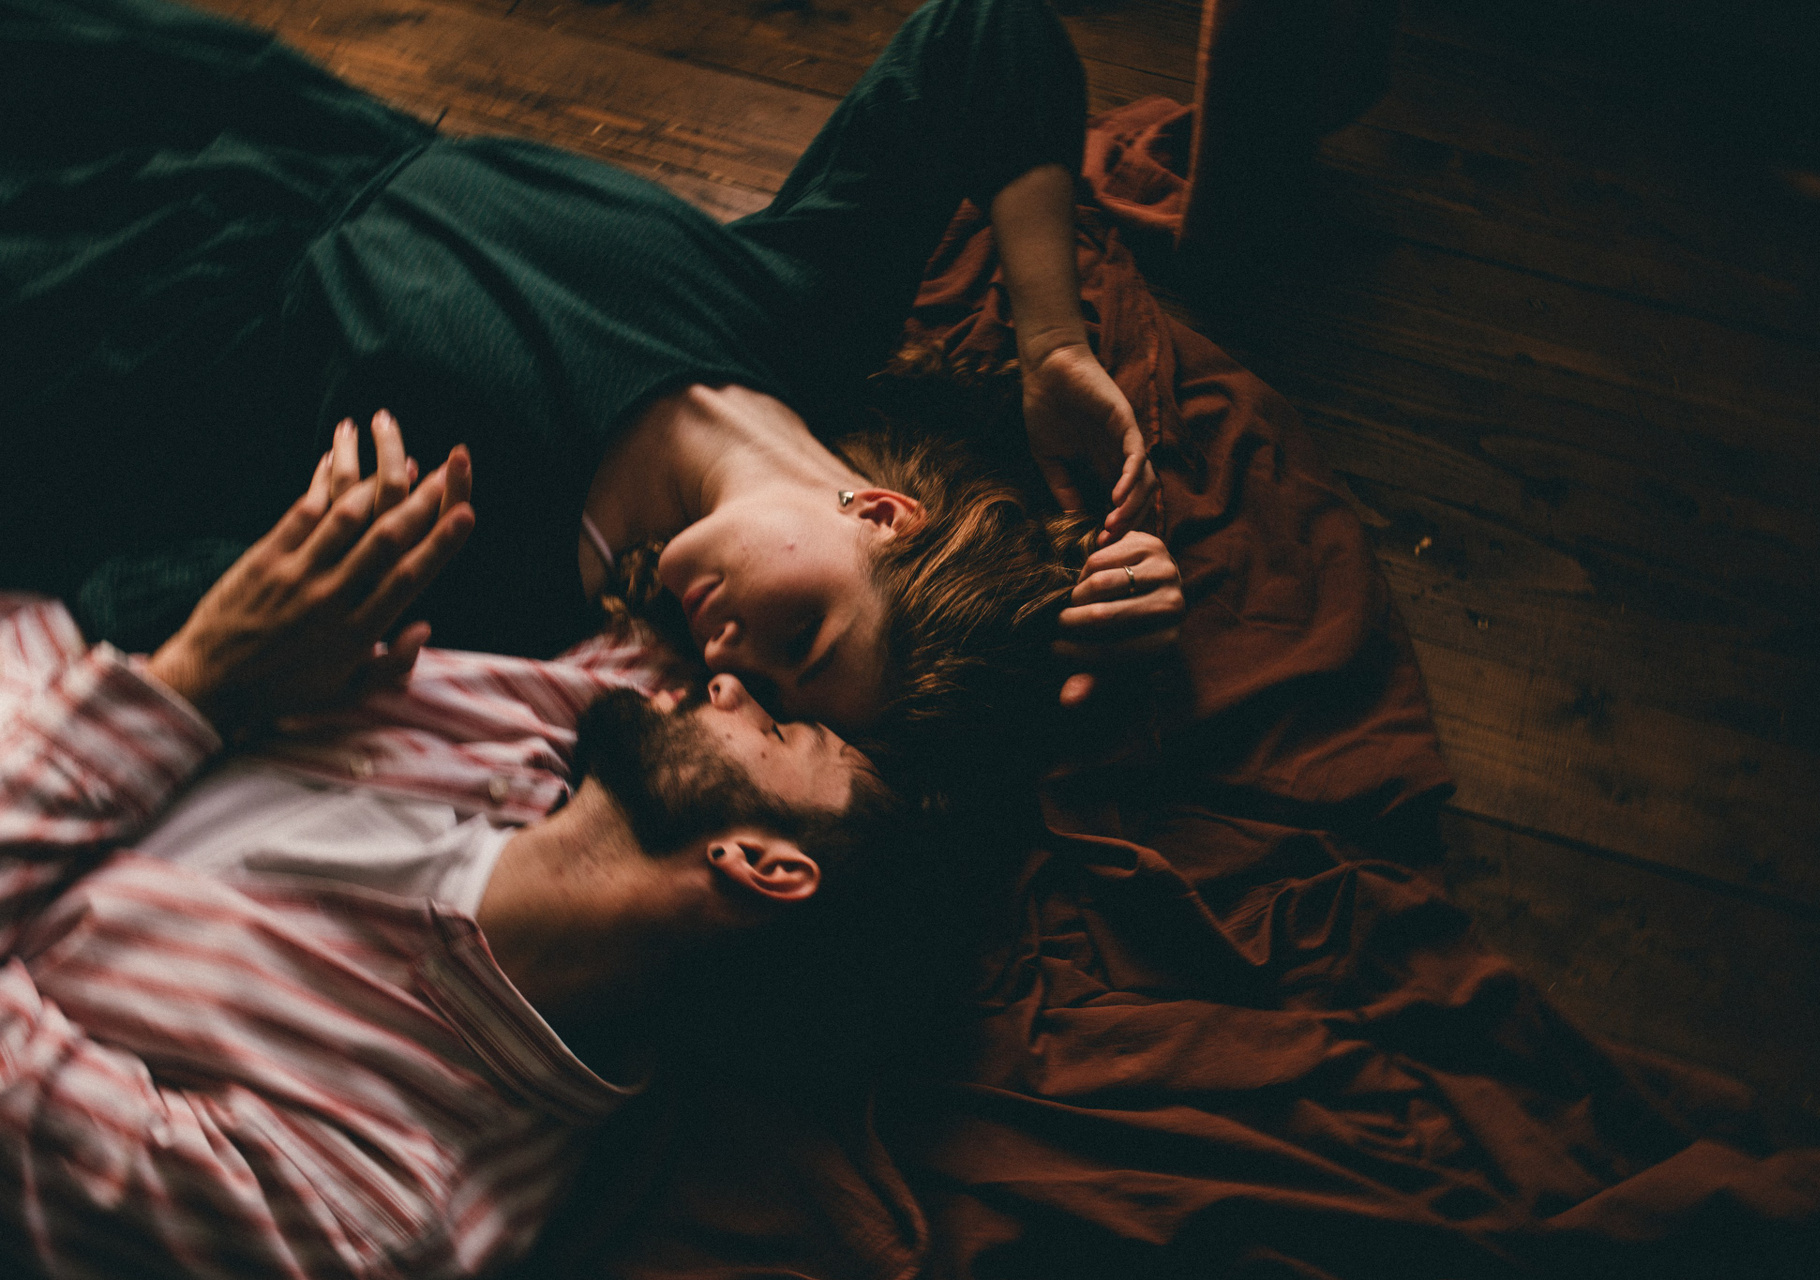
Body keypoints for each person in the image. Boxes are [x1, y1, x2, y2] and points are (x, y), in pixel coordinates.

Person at [1, 0, 1187, 741]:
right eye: (802, 640)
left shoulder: (514, 581)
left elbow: (129, 596)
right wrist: (1053, 345)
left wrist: (287, 633)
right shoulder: (803, 316)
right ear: (880, 513)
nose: (729, 662)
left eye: (765, 695)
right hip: (266, 120)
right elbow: (986, 37)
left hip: (111, 305)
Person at [0, 429, 904, 1278]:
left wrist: (198, 680)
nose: (730, 686)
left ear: (762, 864)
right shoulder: (591, 713)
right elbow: (740, 470)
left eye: (779, 732)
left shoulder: (371, 1201)